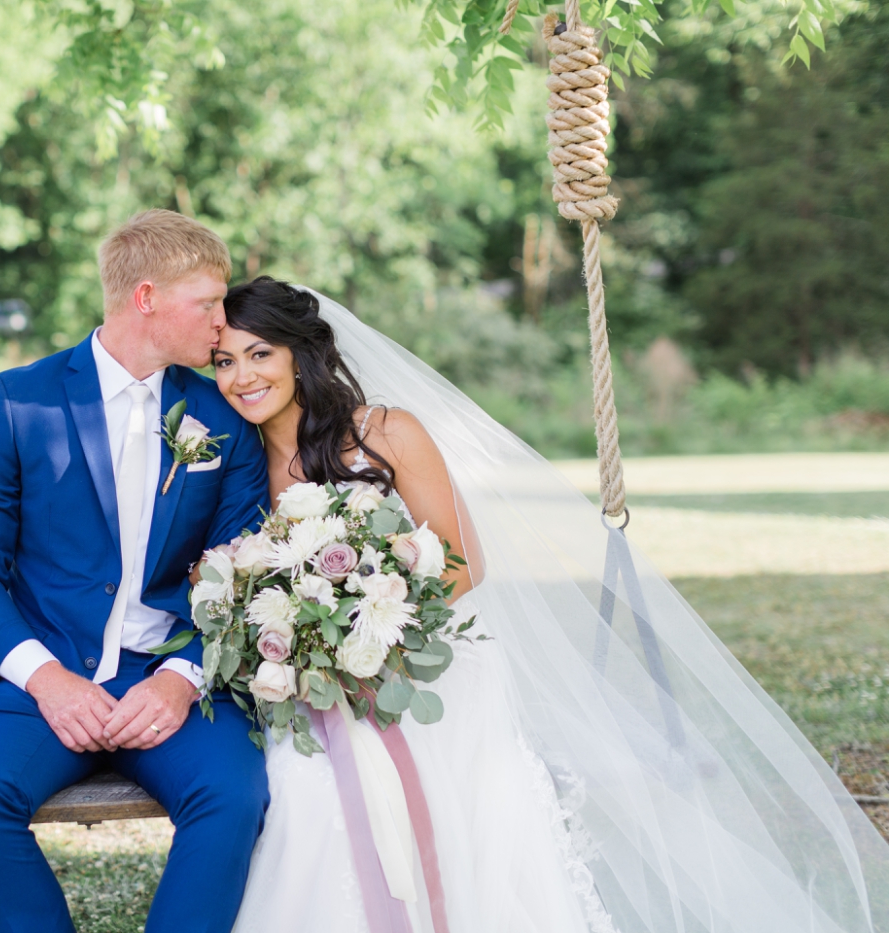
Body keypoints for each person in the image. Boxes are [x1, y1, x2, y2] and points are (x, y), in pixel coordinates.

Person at [212, 277, 889, 933]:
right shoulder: (238, 465)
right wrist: (314, 643)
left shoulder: (388, 432)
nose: (242, 375)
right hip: (317, 685)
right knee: (306, 800)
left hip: (424, 666)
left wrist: (373, 628)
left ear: (300, 354)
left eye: (259, 353)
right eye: (223, 360)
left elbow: (463, 559)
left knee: (461, 808)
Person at [0, 211, 271, 933]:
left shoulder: (224, 414)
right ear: (145, 297)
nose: (222, 322)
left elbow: (240, 570)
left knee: (234, 796)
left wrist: (181, 679)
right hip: (39, 678)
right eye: (207, 302)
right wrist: (47, 678)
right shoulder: (17, 400)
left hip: (167, 674)